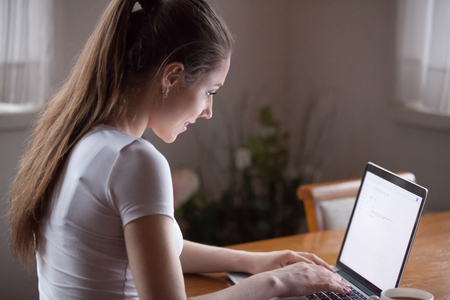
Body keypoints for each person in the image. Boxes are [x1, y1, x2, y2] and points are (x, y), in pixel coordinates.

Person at [8, 0, 351, 299]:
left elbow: (150, 253)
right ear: (171, 76)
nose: (208, 111)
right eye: (210, 91)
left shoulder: (77, 137)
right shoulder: (133, 160)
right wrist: (278, 282)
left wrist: (252, 261)